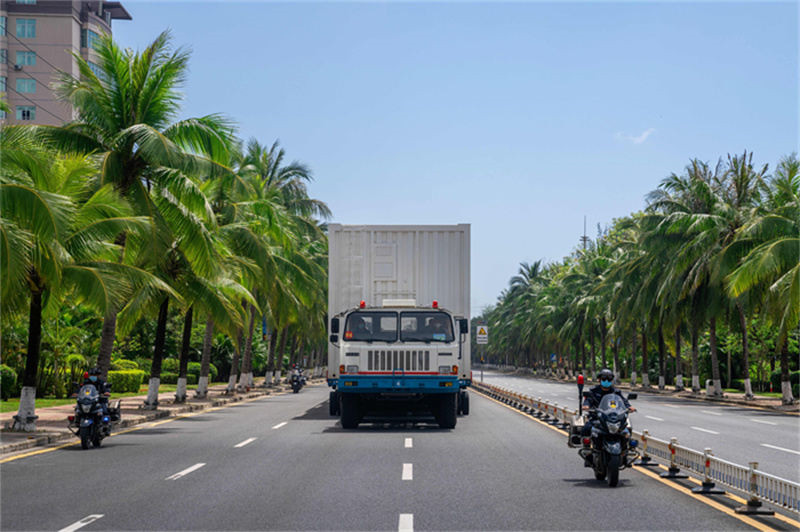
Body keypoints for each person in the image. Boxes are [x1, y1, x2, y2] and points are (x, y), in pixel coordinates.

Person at [581, 368, 635, 438]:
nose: (606, 381)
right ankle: (586, 447)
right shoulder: (594, 391)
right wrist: (586, 405)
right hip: (597, 417)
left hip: (613, 417)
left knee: (626, 431)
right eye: (604, 379)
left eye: (609, 379)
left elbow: (623, 400)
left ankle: (628, 447)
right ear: (599, 380)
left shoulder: (616, 391)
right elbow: (588, 400)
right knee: (586, 428)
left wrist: (629, 407)